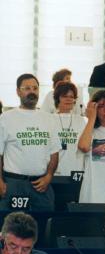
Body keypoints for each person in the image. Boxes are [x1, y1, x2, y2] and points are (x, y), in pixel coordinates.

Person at [0, 74, 61, 211]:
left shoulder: (49, 119)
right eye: (27, 88)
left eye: (35, 88)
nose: (32, 92)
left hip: (41, 185)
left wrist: (49, 176)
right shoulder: (6, 118)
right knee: (12, 223)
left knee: (43, 222)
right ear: (18, 92)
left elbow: (54, 153)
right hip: (14, 184)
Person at [52, 82, 87, 176]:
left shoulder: (80, 120)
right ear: (57, 98)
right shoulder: (49, 119)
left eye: (71, 97)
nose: (68, 99)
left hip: (76, 172)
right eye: (64, 96)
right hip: (54, 173)